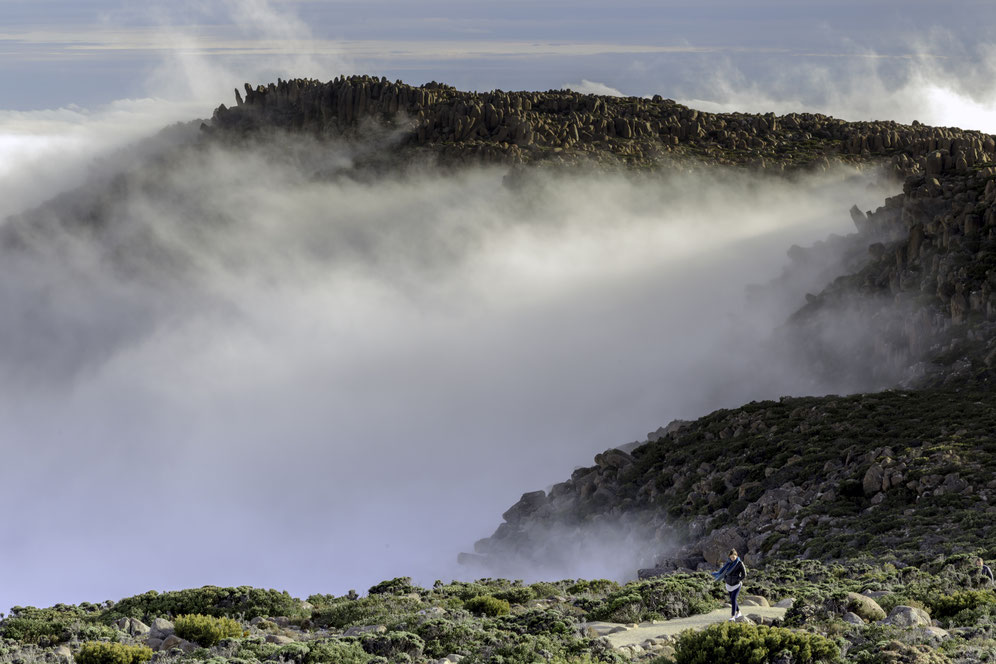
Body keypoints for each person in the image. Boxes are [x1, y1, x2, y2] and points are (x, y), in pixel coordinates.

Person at [713, 549, 747, 621]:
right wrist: (725, 579)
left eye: (734, 557)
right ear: (729, 557)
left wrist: (738, 579)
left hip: (736, 585)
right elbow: (724, 572)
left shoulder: (740, 563)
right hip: (728, 584)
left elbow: (744, 574)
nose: (732, 558)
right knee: (732, 599)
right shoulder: (728, 563)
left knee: (733, 599)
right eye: (731, 557)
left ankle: (732, 616)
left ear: (736, 556)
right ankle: (739, 612)